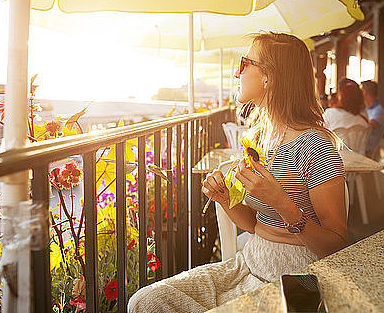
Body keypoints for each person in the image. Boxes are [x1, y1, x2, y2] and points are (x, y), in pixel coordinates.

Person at [128, 32, 348, 313]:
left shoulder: (315, 147)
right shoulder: (259, 138)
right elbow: (255, 225)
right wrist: (224, 199)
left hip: (293, 278)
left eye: (245, 63)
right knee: (144, 302)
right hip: (249, 262)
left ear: (269, 76)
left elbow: (338, 246)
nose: (237, 72)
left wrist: (281, 202)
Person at [360, 80, 384, 156]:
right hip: (362, 150)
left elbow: (369, 127)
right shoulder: (365, 109)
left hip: (371, 153)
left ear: (364, 92)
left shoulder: (379, 110)